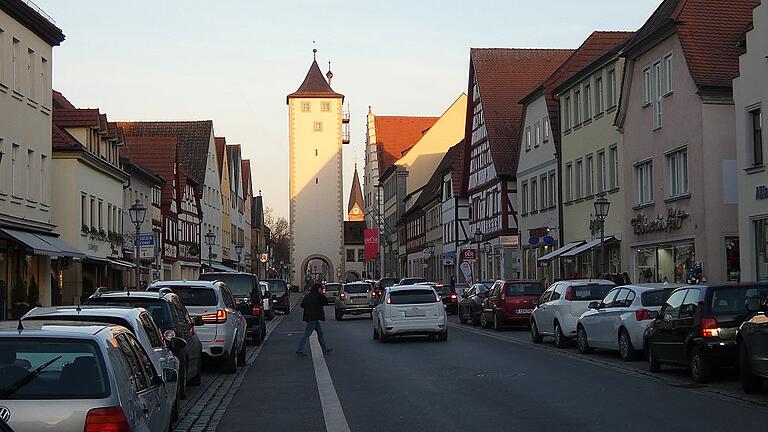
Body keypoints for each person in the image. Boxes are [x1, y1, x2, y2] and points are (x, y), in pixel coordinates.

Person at [296, 283, 332, 356]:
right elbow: (325, 302)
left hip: (309, 317)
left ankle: (324, 349)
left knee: (320, 333)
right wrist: (322, 294)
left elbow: (302, 305)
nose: (320, 290)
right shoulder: (319, 296)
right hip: (314, 317)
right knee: (307, 334)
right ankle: (299, 349)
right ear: (317, 289)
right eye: (320, 289)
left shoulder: (307, 296)